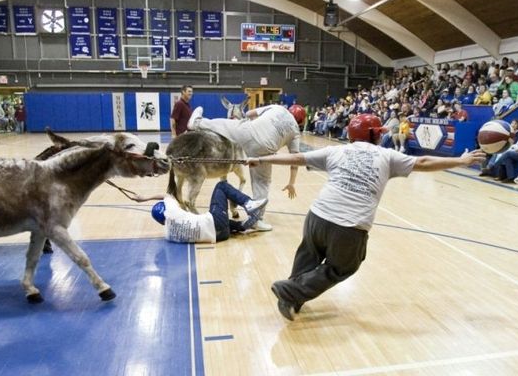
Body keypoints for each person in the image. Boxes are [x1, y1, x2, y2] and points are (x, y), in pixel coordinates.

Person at [246, 114, 486, 321]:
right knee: (344, 266)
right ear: (374, 135)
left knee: (309, 255)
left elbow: (297, 158)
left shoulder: (335, 151)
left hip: (317, 216)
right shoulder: (387, 156)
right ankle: (290, 291)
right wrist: (460, 160)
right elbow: (423, 161)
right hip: (349, 225)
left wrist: (263, 159)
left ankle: (291, 299)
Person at [187, 103, 301, 231]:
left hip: (249, 132)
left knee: (226, 125)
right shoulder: (296, 131)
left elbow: (248, 114)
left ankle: (197, 123)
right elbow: (295, 160)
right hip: (265, 151)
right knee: (262, 182)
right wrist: (291, 183)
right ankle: (257, 220)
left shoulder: (278, 108)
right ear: (300, 121)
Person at [132, 181, 268, 243]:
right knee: (221, 186)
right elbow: (167, 196)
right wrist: (144, 198)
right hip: (216, 222)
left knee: (207, 221)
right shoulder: (171, 212)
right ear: (165, 210)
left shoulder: (168, 235)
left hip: (221, 236)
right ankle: (249, 204)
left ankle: (240, 226)